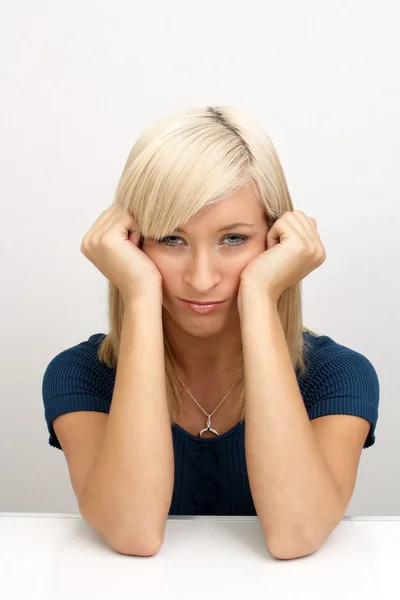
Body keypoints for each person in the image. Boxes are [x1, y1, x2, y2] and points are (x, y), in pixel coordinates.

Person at [42, 105, 379, 556]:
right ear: (132, 244)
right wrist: (139, 294)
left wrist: (260, 295)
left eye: (234, 239)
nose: (202, 278)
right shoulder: (80, 375)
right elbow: (133, 531)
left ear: (275, 240)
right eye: (171, 239)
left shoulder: (338, 377)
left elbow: (296, 534)